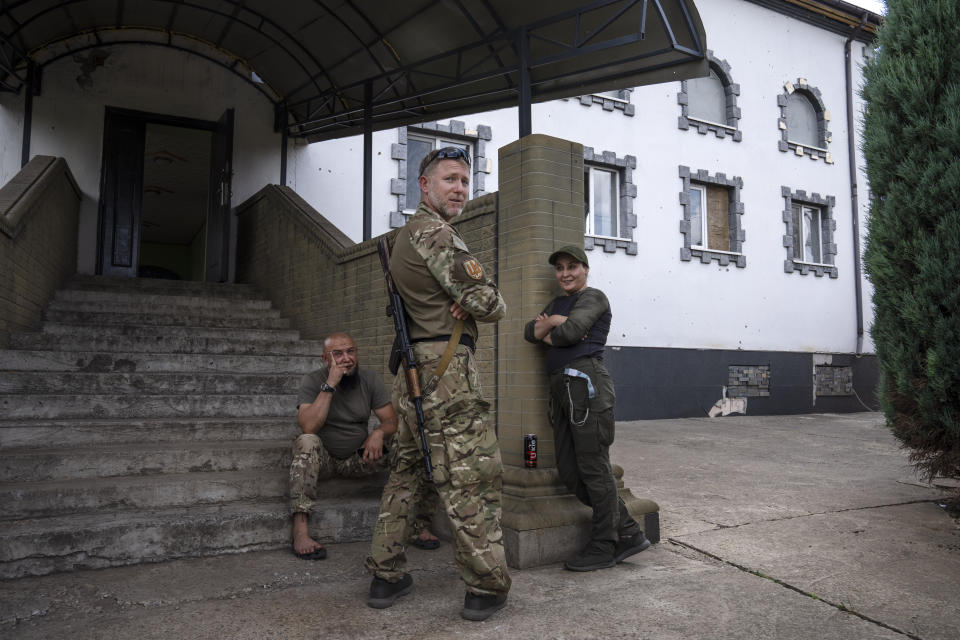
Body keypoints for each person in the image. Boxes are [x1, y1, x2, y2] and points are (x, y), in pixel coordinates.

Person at [364, 147, 511, 621]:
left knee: (408, 471)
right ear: (424, 185)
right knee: (470, 474)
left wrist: (464, 302)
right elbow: (491, 304)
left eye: (466, 182)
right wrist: (473, 302)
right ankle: (485, 586)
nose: (461, 189)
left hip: (412, 374)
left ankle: (385, 575)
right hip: (445, 374)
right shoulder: (437, 235)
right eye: (450, 179)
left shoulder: (406, 235)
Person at [523, 245, 650, 571]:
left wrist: (552, 330)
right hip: (561, 390)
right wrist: (552, 320)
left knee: (594, 468)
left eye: (572, 267)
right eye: (560, 268)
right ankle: (627, 531)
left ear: (585, 269)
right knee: (570, 470)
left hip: (586, 387)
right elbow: (529, 332)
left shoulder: (593, 297)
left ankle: (604, 544)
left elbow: (568, 333)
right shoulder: (557, 304)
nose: (565, 273)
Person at [290, 332, 440, 559]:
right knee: (306, 441)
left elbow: (391, 420)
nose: (346, 358)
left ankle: (416, 523)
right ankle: (300, 530)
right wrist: (331, 383)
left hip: (359, 458)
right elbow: (308, 426)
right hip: (325, 461)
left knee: (408, 439)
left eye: (350, 351)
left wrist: (379, 432)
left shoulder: (368, 380)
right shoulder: (312, 380)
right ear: (325, 359)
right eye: (337, 354)